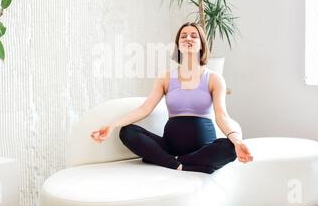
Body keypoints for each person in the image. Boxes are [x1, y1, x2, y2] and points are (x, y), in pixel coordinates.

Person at [91, 22, 253, 174]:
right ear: (178, 45)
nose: (188, 38)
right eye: (183, 36)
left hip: (203, 148)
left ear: (202, 44)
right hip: (170, 145)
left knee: (230, 148)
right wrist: (112, 125)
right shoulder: (166, 78)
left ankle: (173, 162)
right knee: (127, 132)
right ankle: (183, 164)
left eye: (193, 36)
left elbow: (222, 116)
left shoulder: (214, 79)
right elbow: (144, 109)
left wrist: (237, 141)